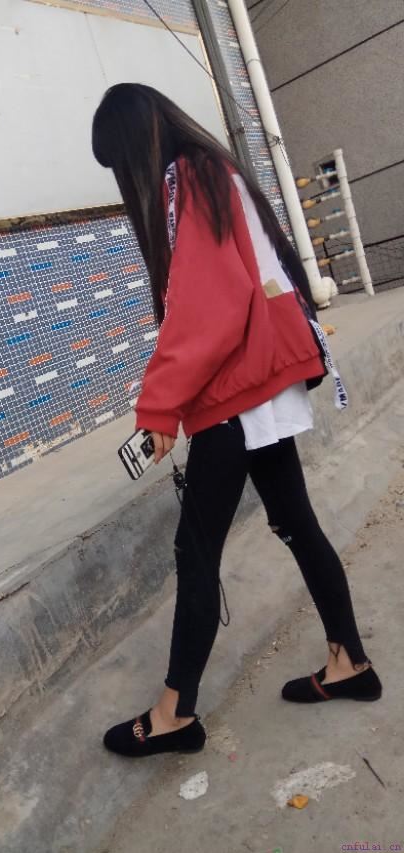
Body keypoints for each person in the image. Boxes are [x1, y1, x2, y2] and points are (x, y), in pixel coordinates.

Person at [91, 83, 382, 759]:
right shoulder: (213, 169)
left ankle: (174, 715)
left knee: (197, 552)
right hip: (262, 380)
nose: (125, 180)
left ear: (135, 146)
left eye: (119, 164)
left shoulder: (187, 179)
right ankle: (349, 661)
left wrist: (160, 406)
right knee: (296, 522)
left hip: (236, 388)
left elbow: (207, 305)